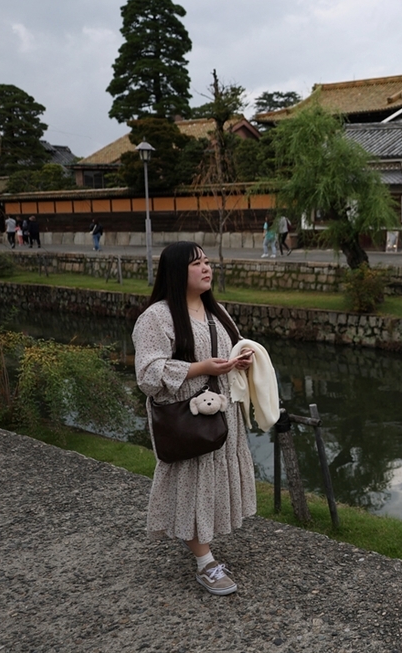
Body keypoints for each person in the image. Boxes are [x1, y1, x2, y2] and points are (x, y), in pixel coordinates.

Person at [133, 242, 256, 596]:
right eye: (196, 264)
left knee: (211, 481)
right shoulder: (157, 317)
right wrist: (199, 368)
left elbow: (230, 352)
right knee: (191, 481)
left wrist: (239, 360)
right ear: (175, 272)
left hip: (223, 414)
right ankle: (205, 563)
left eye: (207, 261)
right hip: (186, 418)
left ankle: (205, 550)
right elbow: (148, 373)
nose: (206, 268)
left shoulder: (216, 311)